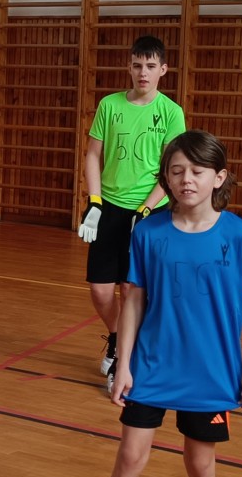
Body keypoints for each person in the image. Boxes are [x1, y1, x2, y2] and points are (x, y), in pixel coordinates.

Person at [75, 130, 242, 477]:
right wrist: (123, 363)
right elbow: (133, 300)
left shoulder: (240, 236)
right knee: (130, 457)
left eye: (198, 171)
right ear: (165, 178)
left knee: (201, 466)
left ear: (218, 178)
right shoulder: (149, 233)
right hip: (152, 367)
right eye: (177, 171)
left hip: (211, 374)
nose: (186, 180)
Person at [78, 35, 186, 386]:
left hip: (149, 211)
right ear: (129, 67)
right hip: (109, 208)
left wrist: (146, 209)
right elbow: (93, 155)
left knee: (131, 290)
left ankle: (124, 361)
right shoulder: (109, 105)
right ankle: (116, 337)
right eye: (137, 65)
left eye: (151, 66)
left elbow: (171, 169)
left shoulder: (171, 113)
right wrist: (94, 201)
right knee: (101, 291)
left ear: (163, 70)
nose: (143, 72)